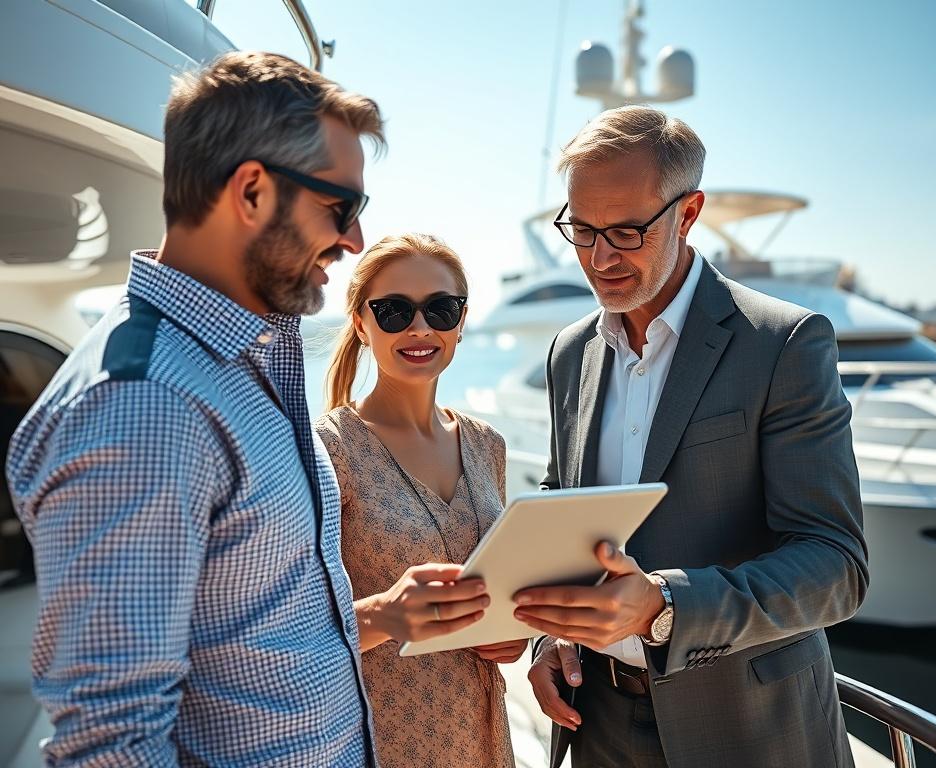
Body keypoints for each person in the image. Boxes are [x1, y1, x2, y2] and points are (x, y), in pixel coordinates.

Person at [5, 51, 384, 766]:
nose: (355, 239)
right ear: (250, 192)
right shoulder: (146, 406)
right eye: (343, 206)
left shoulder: (242, 363)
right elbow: (112, 744)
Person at [516, 106, 869, 768]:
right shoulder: (569, 353)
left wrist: (665, 606)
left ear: (688, 212)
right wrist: (549, 641)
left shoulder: (783, 343)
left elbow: (837, 566)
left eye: (625, 231)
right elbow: (560, 500)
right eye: (582, 231)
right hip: (598, 723)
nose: (599, 258)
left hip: (748, 729)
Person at [314, 233, 525, 768]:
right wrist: (385, 615)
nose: (420, 328)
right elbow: (291, 629)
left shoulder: (486, 446)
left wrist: (509, 635)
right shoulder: (326, 448)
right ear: (361, 323)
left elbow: (492, 587)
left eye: (440, 309)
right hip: (376, 739)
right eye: (394, 311)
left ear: (461, 321)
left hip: (481, 736)